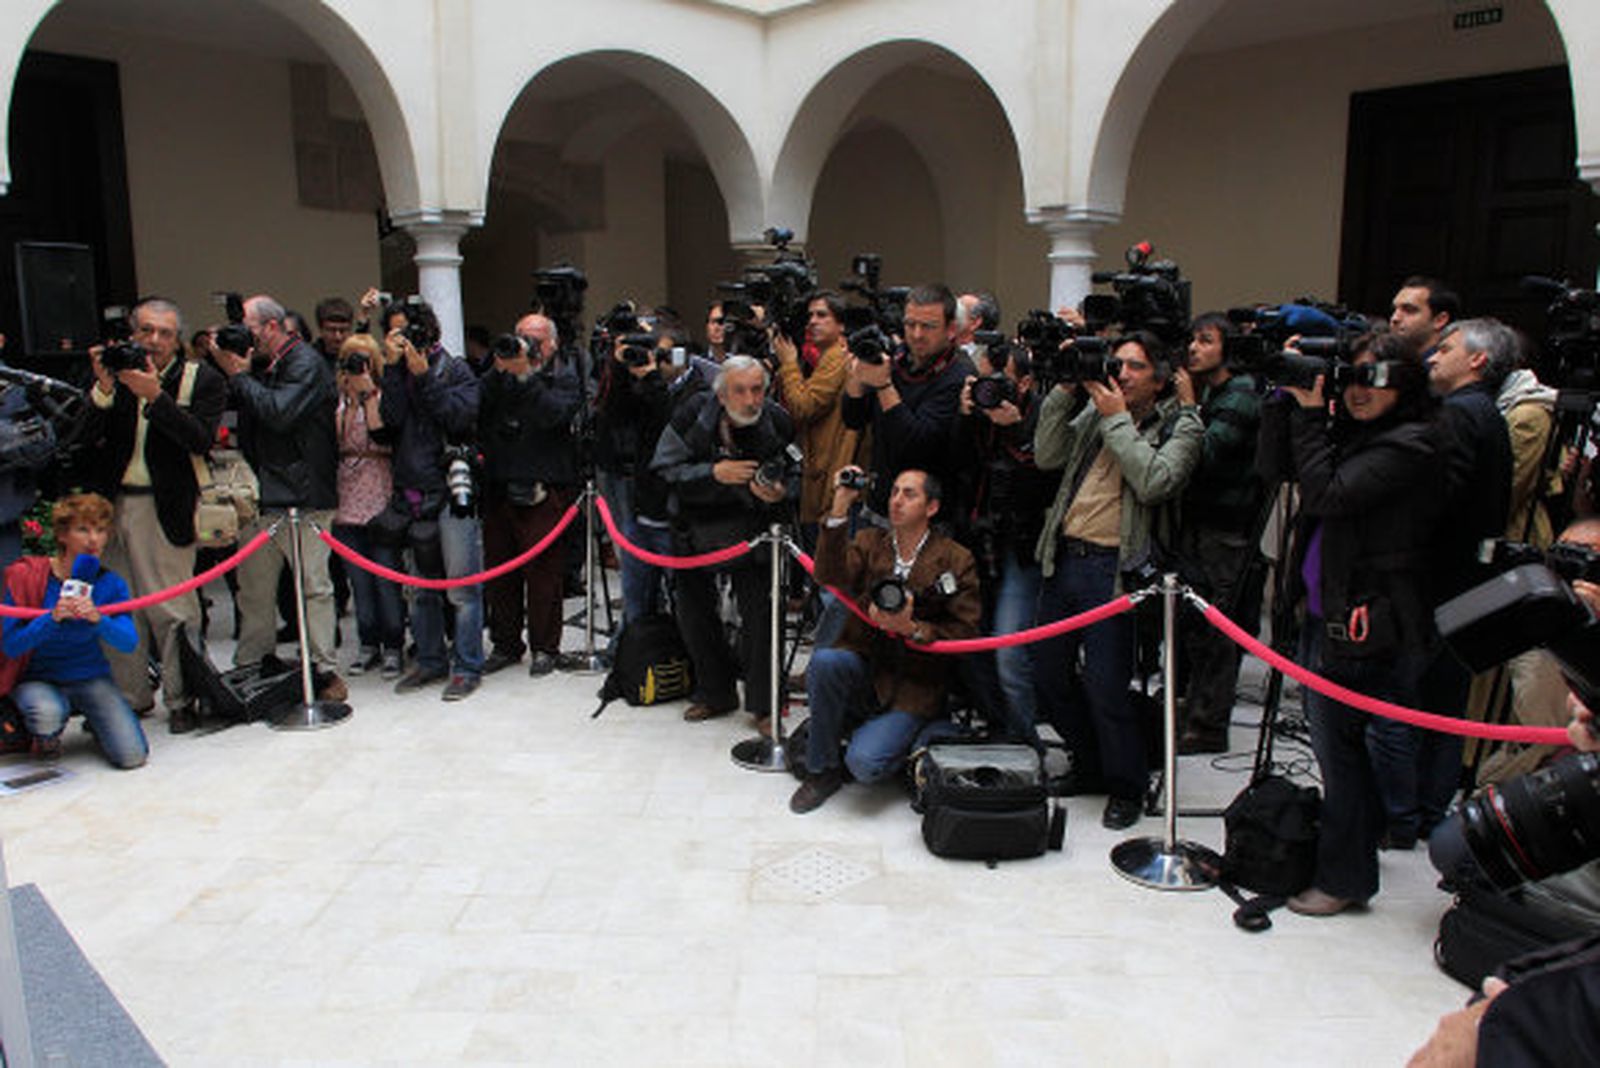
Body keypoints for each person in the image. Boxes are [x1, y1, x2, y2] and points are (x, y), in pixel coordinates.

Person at [1266, 332, 1442, 915]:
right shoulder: (1359, 435)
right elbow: (1278, 467)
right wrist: (1287, 401)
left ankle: (1345, 880)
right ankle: (1349, 856)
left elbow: (1326, 494)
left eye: (1377, 377)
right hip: (1327, 609)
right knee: (1336, 747)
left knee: (1342, 750)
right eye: (1353, 376)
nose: (1361, 390)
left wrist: (1315, 418)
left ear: (1407, 384)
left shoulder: (1411, 444)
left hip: (1366, 620)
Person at [1031, 331, 1203, 829]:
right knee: (1048, 675)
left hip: (1115, 571)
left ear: (1162, 378)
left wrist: (1115, 420)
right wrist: (1064, 393)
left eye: (1136, 367)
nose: (1122, 374)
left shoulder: (1181, 426)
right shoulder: (1096, 408)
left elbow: (1155, 481)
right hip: (1063, 559)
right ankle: (1089, 765)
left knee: (1108, 687)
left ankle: (1126, 784)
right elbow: (1047, 454)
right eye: (1118, 363)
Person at [789, 467, 981, 813]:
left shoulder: (956, 558)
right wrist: (839, 507)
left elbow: (967, 629)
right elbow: (827, 574)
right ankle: (821, 771)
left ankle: (921, 732)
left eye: (909, 494)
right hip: (867, 667)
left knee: (864, 765)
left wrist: (913, 628)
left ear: (931, 507)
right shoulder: (869, 542)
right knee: (825, 661)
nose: (897, 501)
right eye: (894, 492)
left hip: (914, 686)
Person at [81, 298, 225, 734]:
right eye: (146, 331)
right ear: (132, 333)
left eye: (165, 333)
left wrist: (156, 398)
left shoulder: (201, 379)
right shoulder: (114, 374)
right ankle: (130, 696)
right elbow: (80, 440)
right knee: (117, 606)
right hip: (112, 506)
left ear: (177, 338)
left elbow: (200, 439)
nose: (155, 341)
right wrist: (104, 391)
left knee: (173, 609)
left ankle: (182, 699)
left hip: (165, 506)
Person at [208, 294, 344, 699]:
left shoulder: (305, 363)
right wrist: (235, 371)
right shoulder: (261, 366)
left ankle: (324, 670)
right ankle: (252, 665)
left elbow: (280, 413)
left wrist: (240, 376)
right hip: (261, 495)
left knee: (314, 589)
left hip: (304, 498)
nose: (241, 339)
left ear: (272, 327)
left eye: (247, 330)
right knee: (253, 589)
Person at [651, 355, 797, 724]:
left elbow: (799, 473)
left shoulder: (778, 419)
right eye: (740, 391)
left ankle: (765, 706)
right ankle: (715, 693)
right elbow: (663, 469)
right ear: (720, 395)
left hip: (756, 529)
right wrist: (714, 472)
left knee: (762, 619)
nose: (750, 400)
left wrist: (779, 492)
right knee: (694, 615)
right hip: (695, 527)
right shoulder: (692, 414)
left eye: (757, 390)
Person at [373, 299, 484, 701]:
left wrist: (424, 378)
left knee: (461, 588)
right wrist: (391, 369)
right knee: (421, 589)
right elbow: (391, 421)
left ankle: (468, 665)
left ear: (429, 331)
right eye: (397, 334)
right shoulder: (396, 373)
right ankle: (431, 660)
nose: (406, 341)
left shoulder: (454, 369)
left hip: (451, 488)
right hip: (411, 490)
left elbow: (458, 418)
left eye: (410, 332)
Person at [1170, 311, 1265, 754]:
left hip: (1226, 532)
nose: (1193, 348)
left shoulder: (1241, 395)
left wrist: (1188, 407)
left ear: (1228, 348)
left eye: (1205, 341)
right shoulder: (1216, 392)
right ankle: (1193, 713)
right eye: (1191, 340)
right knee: (1194, 626)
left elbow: (1203, 454)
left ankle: (1208, 727)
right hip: (1201, 525)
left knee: (1217, 629)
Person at [0, 493, 148, 768]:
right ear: (62, 535)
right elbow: (11, 645)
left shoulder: (111, 584)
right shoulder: (27, 576)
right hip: (38, 679)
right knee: (47, 712)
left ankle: (96, 720)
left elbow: (129, 643)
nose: (94, 540)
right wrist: (51, 618)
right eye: (83, 529)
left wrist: (98, 619)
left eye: (101, 530)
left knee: (132, 757)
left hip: (90, 678)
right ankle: (46, 734)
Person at [951, 339, 1052, 742]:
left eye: (998, 380)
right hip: (977, 541)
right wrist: (963, 417)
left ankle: (1026, 744)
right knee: (968, 642)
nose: (986, 388)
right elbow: (955, 467)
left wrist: (1015, 430)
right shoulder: (976, 414)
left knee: (1009, 650)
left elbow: (1045, 484)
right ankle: (998, 727)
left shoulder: (1044, 417)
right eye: (979, 379)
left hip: (1021, 546)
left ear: (1024, 383)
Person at [479, 325, 582, 676]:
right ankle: (506, 643)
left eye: (536, 339)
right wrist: (500, 368)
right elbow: (478, 405)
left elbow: (557, 415)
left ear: (552, 343)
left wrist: (527, 377)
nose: (528, 344)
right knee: (500, 573)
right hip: (498, 484)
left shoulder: (563, 375)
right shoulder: (498, 375)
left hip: (542, 485)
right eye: (522, 336)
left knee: (543, 574)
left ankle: (545, 647)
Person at [841, 283, 974, 520]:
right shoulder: (896, 358)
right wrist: (856, 378)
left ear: (951, 329)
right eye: (910, 324)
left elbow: (915, 447)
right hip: (879, 504)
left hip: (927, 517)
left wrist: (884, 386)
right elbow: (854, 419)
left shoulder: (959, 375)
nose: (917, 334)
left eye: (928, 326)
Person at [331, 332, 404, 680]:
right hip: (346, 496)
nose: (356, 364)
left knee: (385, 577)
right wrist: (348, 397)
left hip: (379, 493)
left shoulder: (383, 395)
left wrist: (368, 394)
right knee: (358, 581)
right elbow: (335, 440)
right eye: (350, 358)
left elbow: (383, 436)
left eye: (362, 358)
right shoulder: (337, 401)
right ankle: (367, 644)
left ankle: (393, 645)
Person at [773, 291, 859, 540]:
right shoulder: (826, 358)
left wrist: (788, 363)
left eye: (822, 315)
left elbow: (803, 406)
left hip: (829, 485)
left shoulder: (837, 357)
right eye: (810, 316)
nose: (812, 321)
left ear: (841, 325)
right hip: (822, 476)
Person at [1389, 275, 1460, 356]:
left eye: (1409, 310)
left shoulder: (1454, 367)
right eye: (1394, 309)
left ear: (1439, 320)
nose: (1394, 318)